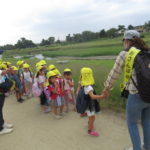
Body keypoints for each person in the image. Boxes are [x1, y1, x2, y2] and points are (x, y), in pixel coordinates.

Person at [102, 30, 150, 150]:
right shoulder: (147, 52)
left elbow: (114, 73)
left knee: (132, 123)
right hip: (149, 94)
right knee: (147, 122)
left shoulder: (125, 53)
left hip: (136, 95)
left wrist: (107, 88)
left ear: (127, 41)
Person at [77, 67, 107, 137]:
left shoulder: (83, 83)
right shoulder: (89, 87)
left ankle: (89, 124)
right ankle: (90, 130)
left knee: (91, 117)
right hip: (90, 105)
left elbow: (79, 87)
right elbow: (92, 96)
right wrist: (102, 96)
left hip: (87, 104)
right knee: (92, 117)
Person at [0, 66, 13, 135]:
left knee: (0, 109)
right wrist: (5, 71)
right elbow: (2, 72)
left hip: (2, 92)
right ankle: (0, 129)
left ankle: (2, 123)